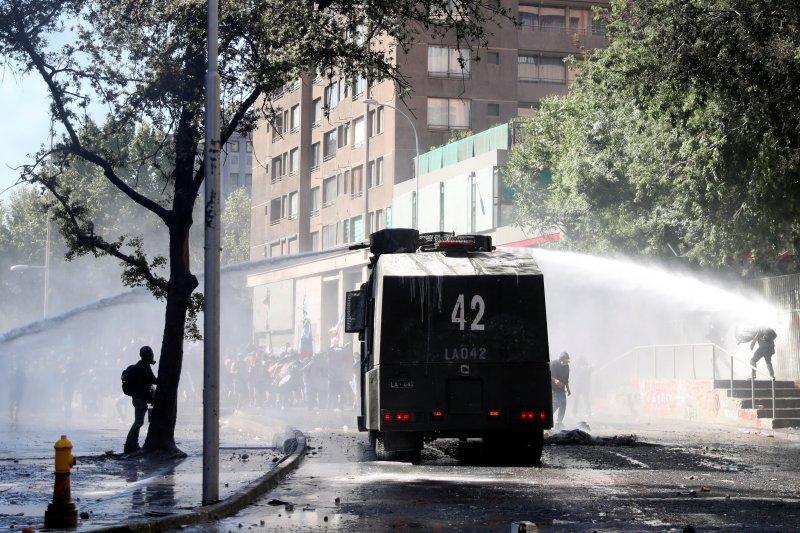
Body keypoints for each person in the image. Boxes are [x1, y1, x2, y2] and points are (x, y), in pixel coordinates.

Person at [123, 346, 158, 454]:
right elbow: (154, 380)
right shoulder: (144, 367)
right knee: (138, 422)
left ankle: (133, 444)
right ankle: (130, 445)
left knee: (139, 422)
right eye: (150, 354)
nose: (152, 355)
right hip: (140, 399)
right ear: (147, 355)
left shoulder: (140, 365)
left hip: (137, 398)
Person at [550, 352, 571, 428]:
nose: (566, 363)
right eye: (565, 361)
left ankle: (559, 422)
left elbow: (566, 379)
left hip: (561, 389)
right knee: (556, 404)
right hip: (553, 389)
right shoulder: (554, 364)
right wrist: (556, 381)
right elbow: (549, 375)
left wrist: (568, 389)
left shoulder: (566, 367)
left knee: (563, 404)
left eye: (567, 361)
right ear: (561, 359)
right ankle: (548, 418)